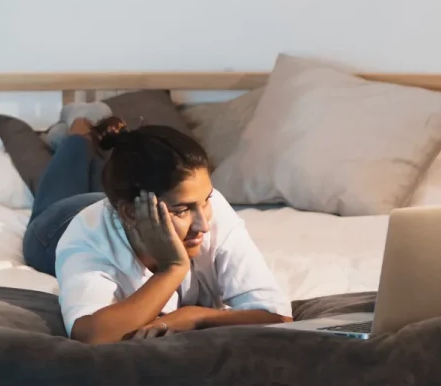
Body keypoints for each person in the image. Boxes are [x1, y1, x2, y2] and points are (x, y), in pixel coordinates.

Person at [33, 120, 291, 344]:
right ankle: (77, 136)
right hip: (57, 223)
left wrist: (197, 316)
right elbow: (91, 335)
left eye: (206, 200)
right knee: (56, 196)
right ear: (131, 213)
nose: (203, 223)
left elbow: (277, 316)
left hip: (122, 202)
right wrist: (173, 268)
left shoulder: (211, 209)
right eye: (181, 210)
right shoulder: (86, 236)